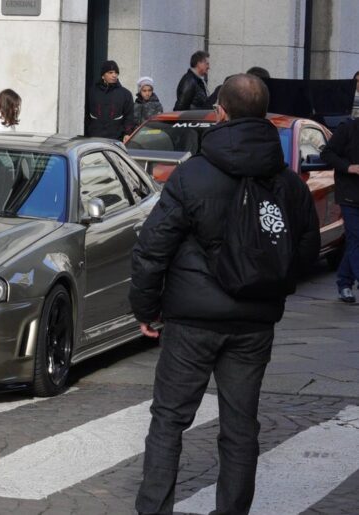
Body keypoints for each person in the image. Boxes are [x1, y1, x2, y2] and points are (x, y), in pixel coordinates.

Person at [130, 74, 320, 515]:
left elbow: (152, 247)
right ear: (266, 115)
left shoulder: (192, 174)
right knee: (240, 426)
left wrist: (146, 307)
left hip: (192, 320)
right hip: (253, 323)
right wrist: (272, 282)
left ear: (221, 113)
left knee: (169, 421)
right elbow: (308, 248)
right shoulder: (288, 182)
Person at [321, 116, 359, 302]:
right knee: (356, 237)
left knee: (355, 241)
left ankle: (344, 283)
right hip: (349, 195)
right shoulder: (348, 128)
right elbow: (327, 154)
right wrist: (349, 167)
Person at [84, 59, 135, 140]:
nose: (114, 75)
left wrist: (127, 133)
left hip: (116, 140)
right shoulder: (91, 92)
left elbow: (129, 117)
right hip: (94, 139)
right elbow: (86, 114)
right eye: (110, 72)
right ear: (103, 75)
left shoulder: (125, 94)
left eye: (116, 73)